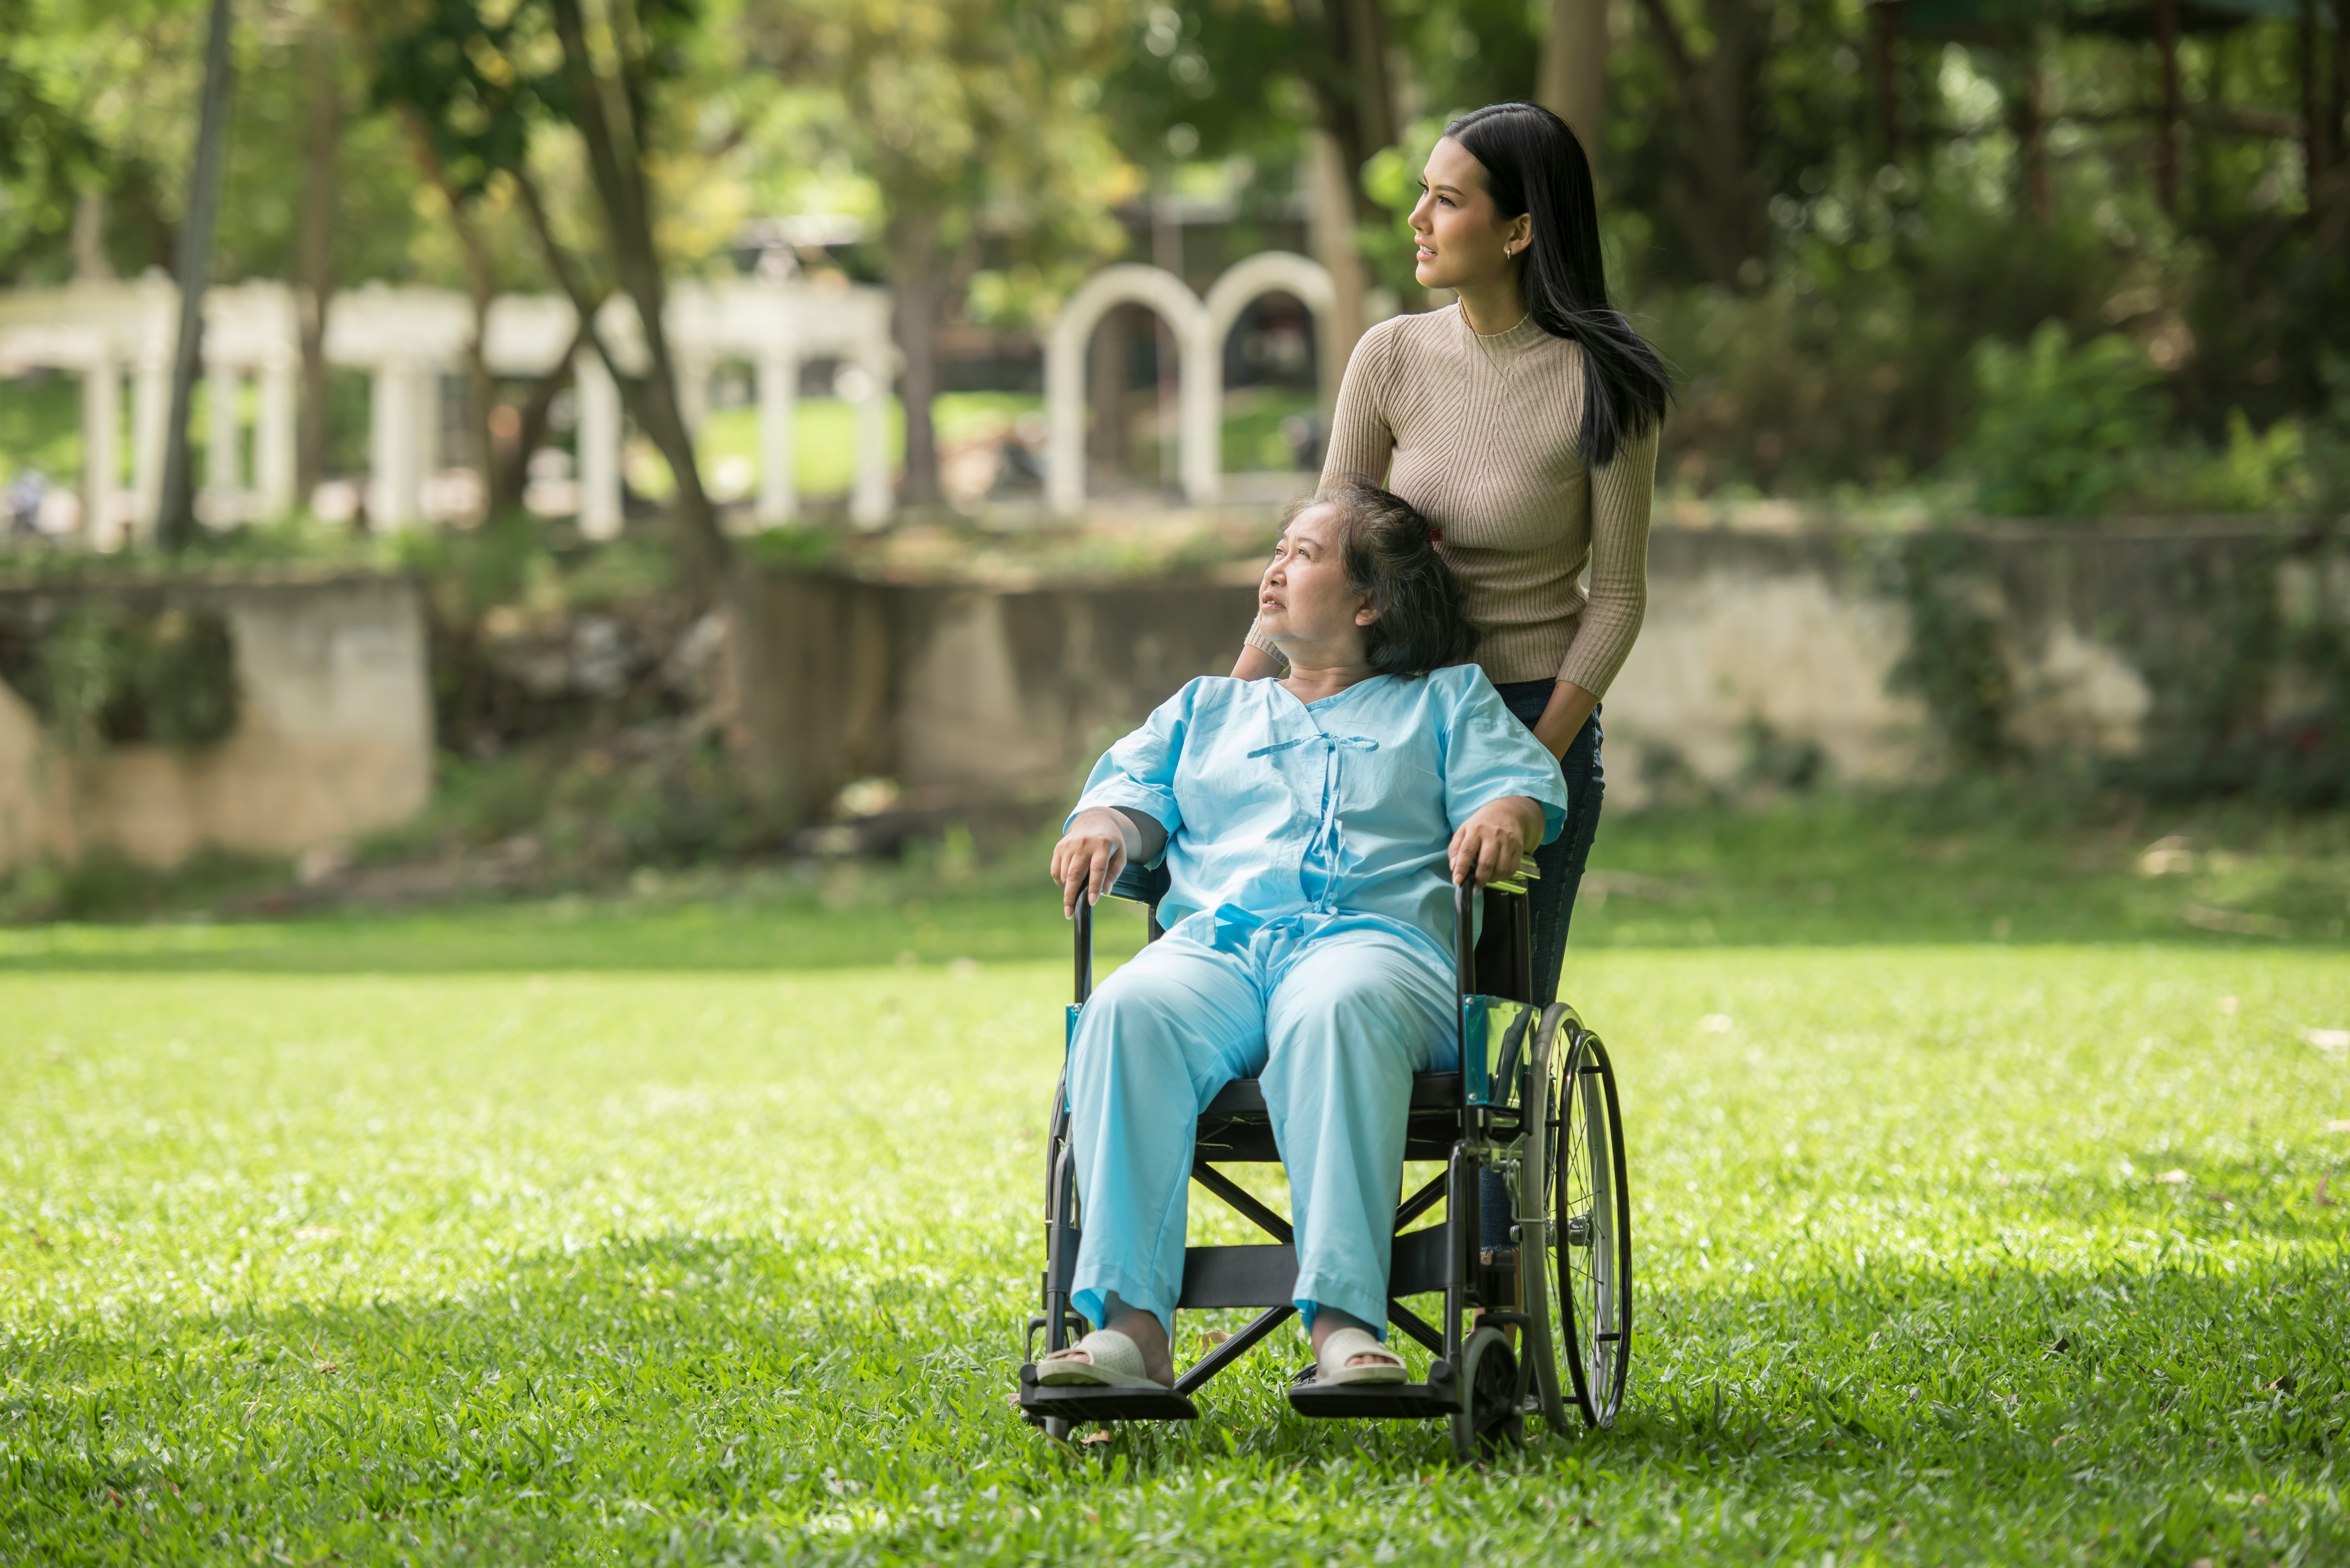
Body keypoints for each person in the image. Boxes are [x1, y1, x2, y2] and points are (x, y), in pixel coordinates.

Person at [1035, 482, 1568, 1392]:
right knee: (1125, 1009)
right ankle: (1129, 1330)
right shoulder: (1208, 709)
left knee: (1335, 1008)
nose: (1275, 570)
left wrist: (1504, 818)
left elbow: (1516, 787)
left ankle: (1347, 1325)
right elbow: (1128, 793)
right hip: (1220, 949)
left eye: (1305, 554)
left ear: (1369, 603)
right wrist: (1106, 828)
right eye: (1277, 550)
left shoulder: (1443, 702)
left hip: (1378, 950)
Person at [1230, 102, 1670, 1011]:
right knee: (1354, 992)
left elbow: (1618, 599)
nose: (1417, 219)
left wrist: (1528, 769)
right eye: (1422, 195)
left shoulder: (1606, 384)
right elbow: (1321, 548)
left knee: (1491, 1028)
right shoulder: (1390, 356)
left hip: (1524, 713)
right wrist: (1240, 700)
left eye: (1446, 199)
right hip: (1387, 718)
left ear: (1518, 231)